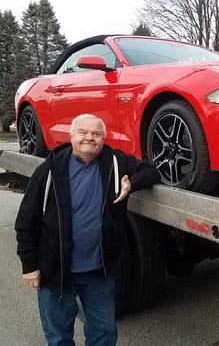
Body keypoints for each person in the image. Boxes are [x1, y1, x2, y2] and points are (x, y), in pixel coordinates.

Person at [15, 113, 161, 346]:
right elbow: (26, 221)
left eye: (96, 134)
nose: (89, 138)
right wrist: (29, 266)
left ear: (103, 138)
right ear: (71, 136)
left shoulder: (115, 162)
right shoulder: (50, 171)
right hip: (56, 271)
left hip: (99, 271)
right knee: (58, 335)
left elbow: (152, 171)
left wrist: (132, 183)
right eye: (83, 132)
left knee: (103, 332)